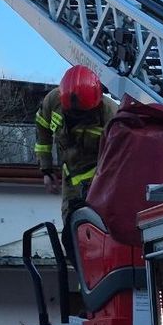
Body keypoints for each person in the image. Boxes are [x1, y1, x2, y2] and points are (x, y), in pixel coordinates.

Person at [35, 65, 119, 223]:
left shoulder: (111, 115)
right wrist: (46, 169)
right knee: (71, 225)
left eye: (82, 113)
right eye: (72, 111)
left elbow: (120, 160)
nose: (76, 116)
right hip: (70, 178)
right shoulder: (52, 101)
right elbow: (42, 130)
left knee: (99, 227)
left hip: (100, 181)